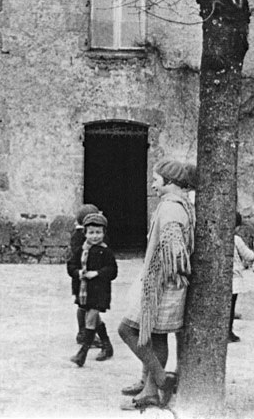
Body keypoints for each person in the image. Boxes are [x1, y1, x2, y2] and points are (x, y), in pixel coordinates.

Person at [118, 160, 195, 410]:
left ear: (169, 182)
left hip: (160, 284)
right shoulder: (180, 204)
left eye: (156, 179)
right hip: (165, 283)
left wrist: (168, 270)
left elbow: (175, 248)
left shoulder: (171, 207)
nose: (152, 183)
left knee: (127, 330)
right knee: (157, 336)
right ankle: (151, 391)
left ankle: (162, 381)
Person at [68, 213, 118, 366]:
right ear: (85, 234)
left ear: (104, 233)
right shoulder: (80, 250)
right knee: (94, 319)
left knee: (90, 320)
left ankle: (82, 354)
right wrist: (79, 273)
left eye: (98, 232)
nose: (95, 236)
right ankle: (107, 345)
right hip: (84, 292)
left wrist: (97, 273)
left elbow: (112, 271)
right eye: (91, 233)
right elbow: (71, 267)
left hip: (99, 292)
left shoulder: (106, 252)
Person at [67, 204, 104, 347]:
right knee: (87, 307)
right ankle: (84, 333)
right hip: (85, 278)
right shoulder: (83, 238)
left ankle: (86, 332)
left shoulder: (78, 235)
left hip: (83, 278)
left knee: (85, 306)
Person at [231, 212, 254, 342]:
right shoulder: (236, 239)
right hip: (234, 278)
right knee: (231, 306)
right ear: (237, 227)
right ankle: (229, 332)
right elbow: (249, 256)